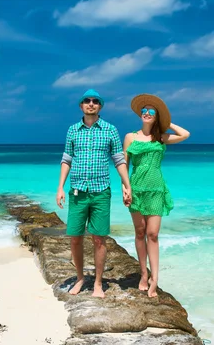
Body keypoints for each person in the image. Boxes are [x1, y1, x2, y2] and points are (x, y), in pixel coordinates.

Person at [56, 89, 132, 298]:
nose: (91, 104)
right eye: (87, 101)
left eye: (95, 101)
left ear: (100, 106)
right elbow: (66, 159)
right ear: (81, 106)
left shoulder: (110, 130)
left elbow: (119, 159)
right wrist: (60, 187)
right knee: (75, 238)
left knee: (99, 238)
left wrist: (127, 185)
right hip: (78, 191)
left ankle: (98, 283)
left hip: (101, 192)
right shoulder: (73, 130)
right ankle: (80, 278)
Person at [122, 94, 190, 297]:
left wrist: (166, 122)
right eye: (144, 111)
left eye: (152, 111)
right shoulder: (130, 137)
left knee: (153, 234)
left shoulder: (160, 137)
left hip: (156, 190)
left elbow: (185, 134)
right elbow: (123, 165)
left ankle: (155, 279)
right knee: (140, 232)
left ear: (157, 116)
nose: (146, 114)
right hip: (136, 189)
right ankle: (143, 273)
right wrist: (125, 188)